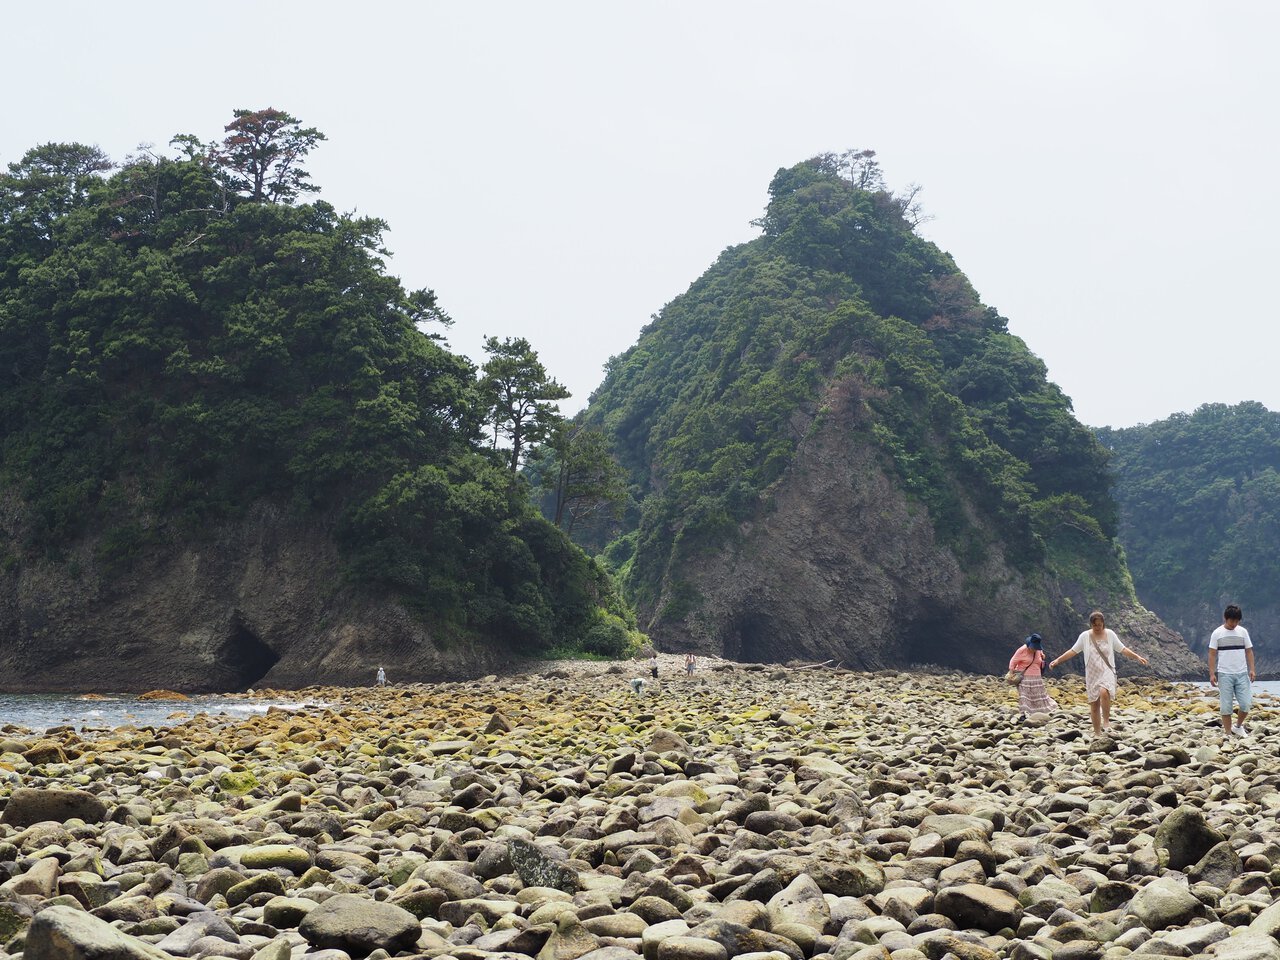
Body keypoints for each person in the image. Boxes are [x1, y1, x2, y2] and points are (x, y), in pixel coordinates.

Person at [1048, 611, 1149, 734]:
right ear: (1090, 624)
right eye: (1095, 625)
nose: (1097, 627)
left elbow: (1122, 649)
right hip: (1092, 672)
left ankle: (1106, 721)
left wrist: (1137, 657)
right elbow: (1073, 651)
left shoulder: (1110, 634)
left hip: (1107, 669)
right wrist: (1057, 661)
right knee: (1094, 704)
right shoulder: (1085, 636)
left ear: (1103, 624)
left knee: (1104, 691)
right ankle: (1097, 733)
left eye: (1100, 625)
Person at [1209, 604, 1254, 738]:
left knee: (1246, 704)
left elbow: (1249, 651)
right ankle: (1228, 734)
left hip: (1242, 673)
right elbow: (1212, 654)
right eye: (1231, 620)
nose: (1234, 623)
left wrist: (1252, 669)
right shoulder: (1217, 633)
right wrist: (1212, 674)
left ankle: (1238, 727)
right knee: (1226, 706)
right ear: (1225, 618)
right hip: (1224, 674)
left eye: (1236, 621)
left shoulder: (1243, 632)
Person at [1008, 633, 1056, 718]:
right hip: (1024, 677)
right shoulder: (1022, 650)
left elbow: (1040, 658)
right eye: (1033, 647)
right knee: (1024, 696)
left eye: (1036, 648)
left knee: (1038, 696)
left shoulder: (1039, 650)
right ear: (1029, 645)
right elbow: (1013, 661)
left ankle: (1038, 713)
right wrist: (1011, 673)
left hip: (1037, 676)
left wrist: (1042, 657)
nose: (1034, 649)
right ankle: (1024, 714)